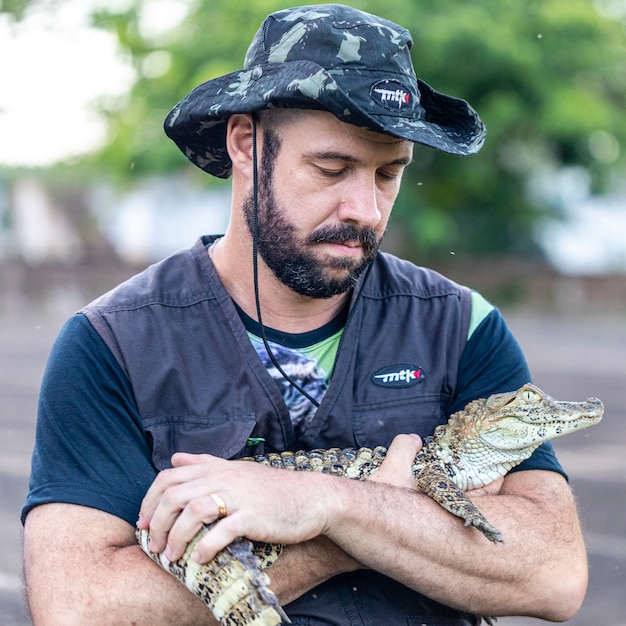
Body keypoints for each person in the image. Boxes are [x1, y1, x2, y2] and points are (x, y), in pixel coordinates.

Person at [22, 4, 588, 625]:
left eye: (388, 173)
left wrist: (328, 504)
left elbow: (552, 574)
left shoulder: (461, 326)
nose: (366, 209)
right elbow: (78, 607)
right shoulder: (111, 344)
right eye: (332, 168)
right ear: (246, 143)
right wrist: (370, 525)